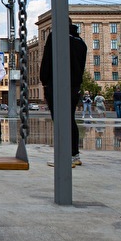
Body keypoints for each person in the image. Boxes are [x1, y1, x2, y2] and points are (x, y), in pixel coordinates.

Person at [40, 18, 88, 167]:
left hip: (56, 83)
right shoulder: (81, 42)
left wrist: (45, 81)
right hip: (74, 86)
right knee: (70, 119)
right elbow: (81, 66)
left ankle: (63, 156)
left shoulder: (56, 36)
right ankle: (74, 155)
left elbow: (47, 59)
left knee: (60, 121)